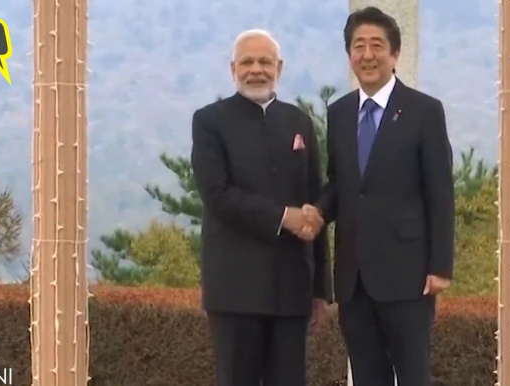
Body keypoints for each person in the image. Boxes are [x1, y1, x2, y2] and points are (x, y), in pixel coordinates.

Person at [307, 6, 455, 386]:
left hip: (408, 275)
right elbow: (341, 183)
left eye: (377, 45)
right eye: (359, 46)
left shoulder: (424, 111)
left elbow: (440, 191)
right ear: (349, 55)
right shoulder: (339, 113)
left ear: (395, 54)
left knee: (412, 375)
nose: (367, 55)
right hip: (354, 280)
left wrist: (440, 265)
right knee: (368, 375)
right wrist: (318, 213)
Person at [190, 29, 333, 386]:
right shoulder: (210, 121)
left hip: (291, 290)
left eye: (265, 62)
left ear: (279, 68)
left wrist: (320, 289)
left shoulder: (299, 122)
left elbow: (314, 203)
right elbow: (217, 196)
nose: (256, 70)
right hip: (234, 290)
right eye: (247, 62)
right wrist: (284, 217)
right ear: (232, 68)